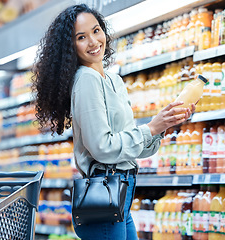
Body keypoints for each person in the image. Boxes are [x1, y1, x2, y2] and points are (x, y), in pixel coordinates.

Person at [33, 4, 194, 240]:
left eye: (96, 31)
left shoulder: (112, 80)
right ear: (70, 47)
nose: (93, 41)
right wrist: (151, 127)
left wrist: (163, 125)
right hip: (105, 193)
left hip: (121, 194)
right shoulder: (86, 79)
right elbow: (102, 147)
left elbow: (131, 148)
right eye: (81, 37)